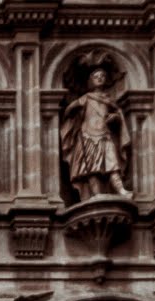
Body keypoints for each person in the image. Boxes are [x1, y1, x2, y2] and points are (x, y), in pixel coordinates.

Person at [60, 66, 132, 202]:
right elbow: (69, 111)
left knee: (113, 164)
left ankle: (121, 190)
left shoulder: (109, 100)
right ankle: (96, 194)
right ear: (90, 81)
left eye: (102, 76)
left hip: (105, 135)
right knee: (92, 168)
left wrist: (115, 117)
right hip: (88, 135)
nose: (100, 78)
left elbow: (118, 115)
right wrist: (73, 108)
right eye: (96, 76)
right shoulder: (86, 98)